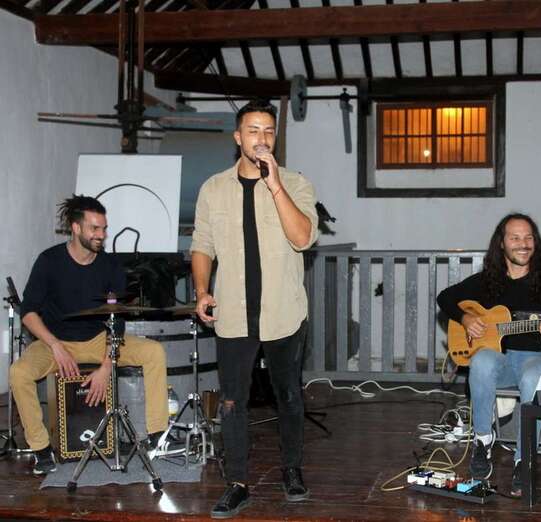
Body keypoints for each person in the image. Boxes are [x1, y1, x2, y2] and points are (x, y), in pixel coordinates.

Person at [191, 100, 319, 518]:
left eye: (268, 132)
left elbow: (303, 239)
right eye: (253, 131)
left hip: (283, 312)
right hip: (233, 313)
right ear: (237, 137)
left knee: (288, 396)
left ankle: (292, 469)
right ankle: (238, 482)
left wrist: (275, 185)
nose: (261, 139)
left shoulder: (296, 183)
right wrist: (201, 290)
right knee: (232, 402)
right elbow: (201, 245)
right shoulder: (213, 188)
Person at [10, 195, 169, 476]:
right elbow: (29, 312)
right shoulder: (49, 261)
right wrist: (55, 345)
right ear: (76, 227)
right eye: (95, 228)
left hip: (99, 340)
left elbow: (115, 319)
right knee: (19, 373)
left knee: (153, 352)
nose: (102, 235)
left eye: (104, 228)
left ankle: (157, 435)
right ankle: (41, 449)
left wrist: (107, 365)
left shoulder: (109, 266)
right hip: (55, 340)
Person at [436, 213, 541, 497]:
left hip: (537, 358)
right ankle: (483, 441)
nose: (523, 244)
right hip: (501, 361)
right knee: (483, 360)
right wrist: (464, 319)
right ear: (501, 244)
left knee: (534, 375)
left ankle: (524, 460)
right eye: (515, 238)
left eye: (528, 237)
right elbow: (445, 298)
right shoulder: (488, 281)